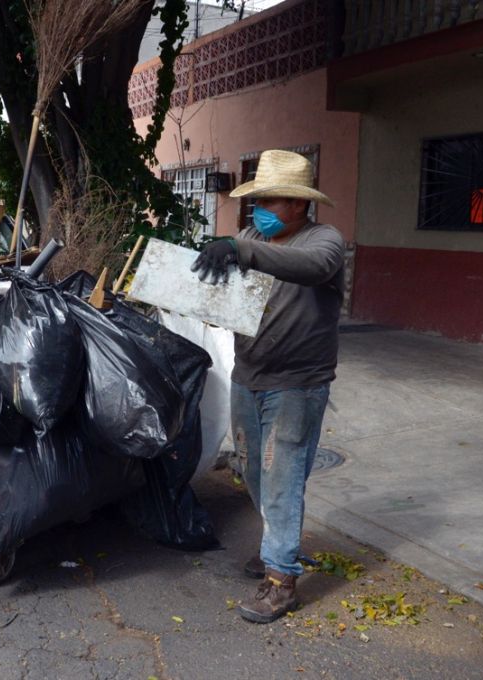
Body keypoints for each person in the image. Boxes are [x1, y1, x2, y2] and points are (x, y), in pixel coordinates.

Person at [191, 150, 344, 624]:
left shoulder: (325, 241)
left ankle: (281, 580)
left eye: (269, 201)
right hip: (249, 374)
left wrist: (242, 251)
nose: (258, 210)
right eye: (256, 200)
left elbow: (310, 267)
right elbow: (228, 289)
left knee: (282, 477)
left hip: (297, 384)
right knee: (254, 471)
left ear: (298, 204)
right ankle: (277, 544)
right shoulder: (252, 235)